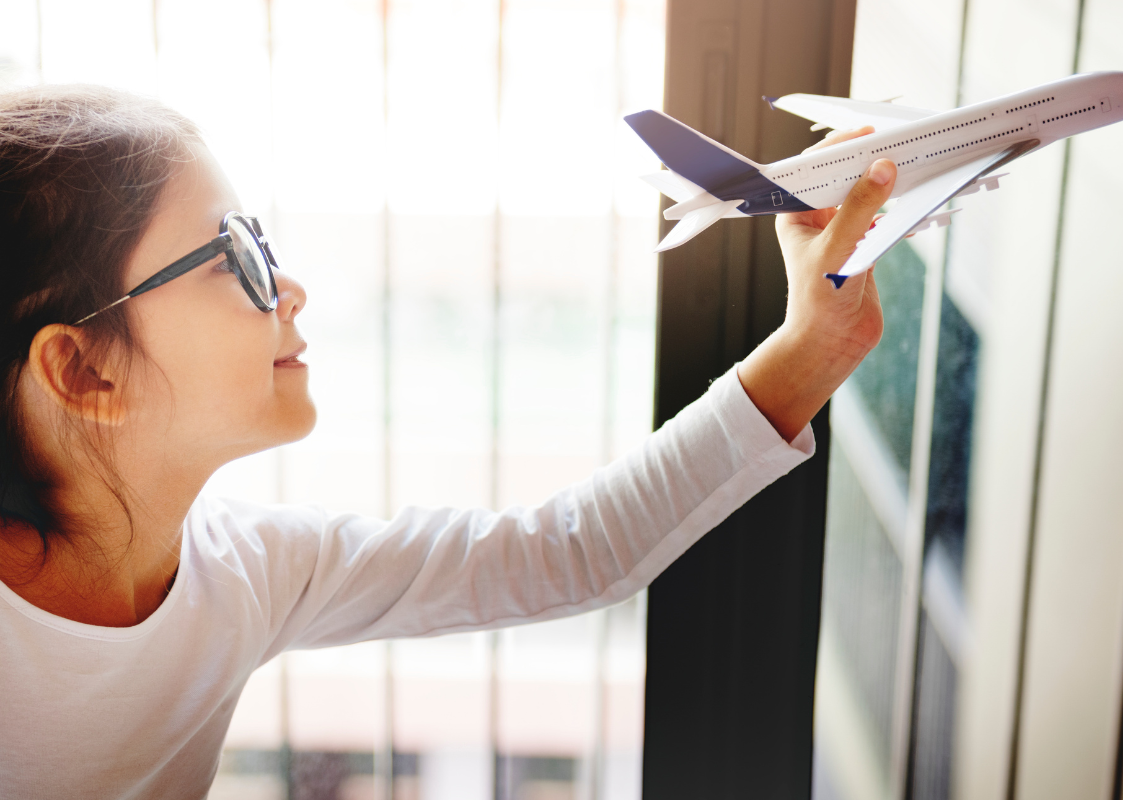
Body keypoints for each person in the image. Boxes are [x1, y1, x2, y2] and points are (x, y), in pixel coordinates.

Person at [0, 85, 894, 798]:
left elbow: (571, 554)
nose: (291, 289)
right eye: (234, 255)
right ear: (84, 375)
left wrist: (813, 349)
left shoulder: (248, 574)